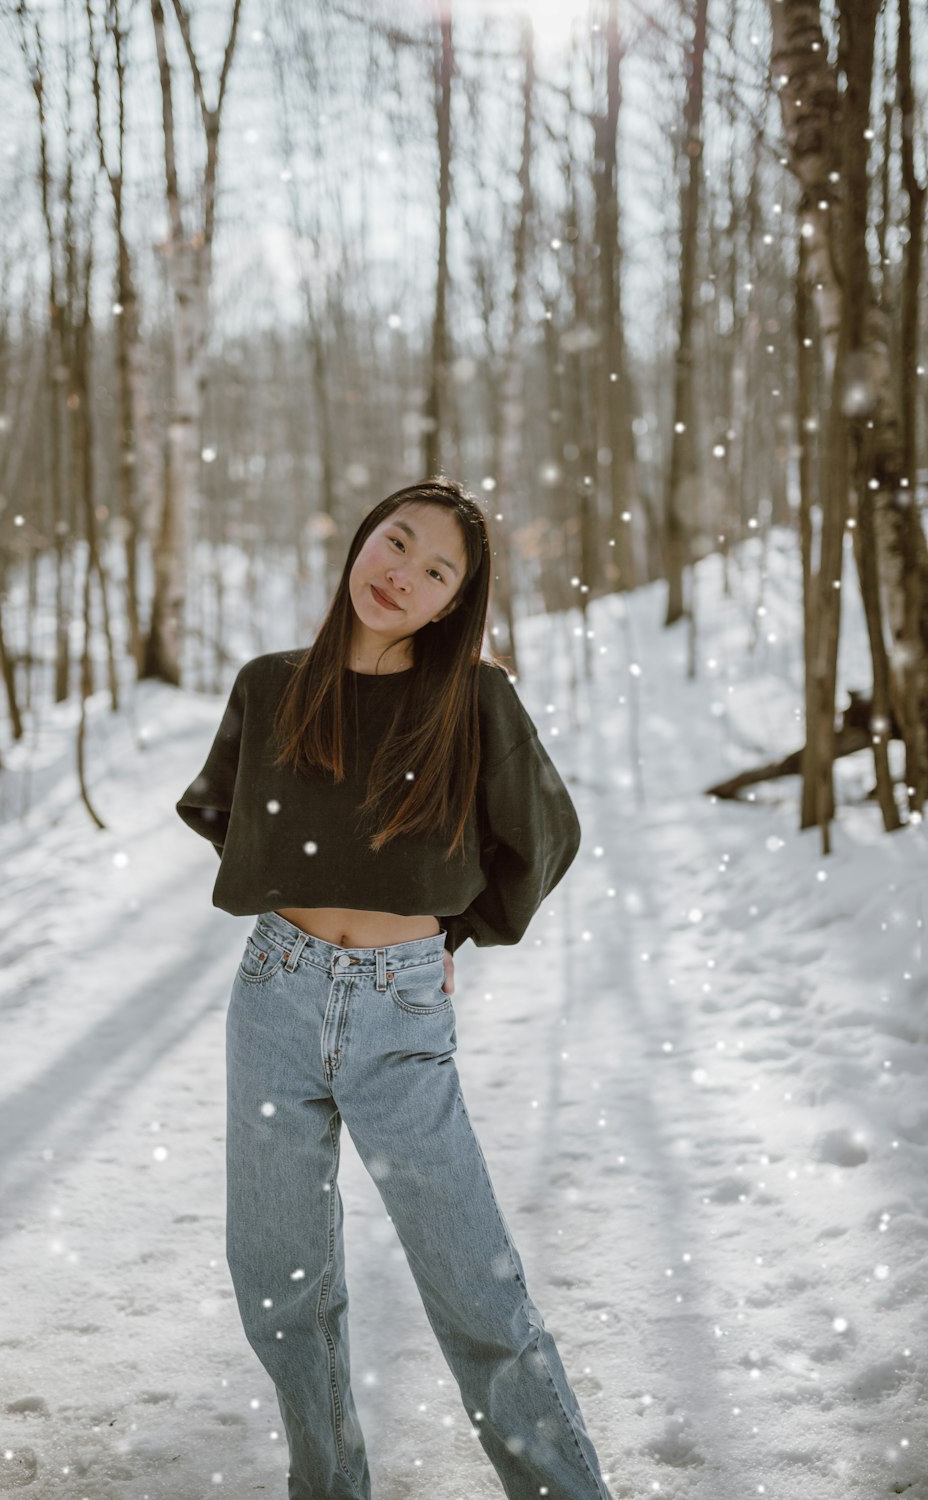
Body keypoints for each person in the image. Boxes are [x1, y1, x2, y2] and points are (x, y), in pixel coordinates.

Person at [176, 477, 615, 1500]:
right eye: (396, 543)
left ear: (453, 604)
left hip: (399, 1010)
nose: (401, 576)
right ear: (361, 536)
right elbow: (224, 811)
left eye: (434, 573)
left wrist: (448, 929)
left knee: (474, 1288)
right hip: (273, 999)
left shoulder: (473, 702)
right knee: (280, 1285)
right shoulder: (270, 685)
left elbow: (546, 839)